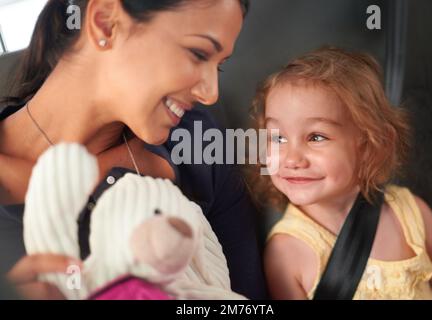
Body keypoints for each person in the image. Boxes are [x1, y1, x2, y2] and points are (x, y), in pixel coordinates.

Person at [0, 0, 267, 299]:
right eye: (198, 53)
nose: (210, 93)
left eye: (218, 66)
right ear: (106, 23)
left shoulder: (197, 141)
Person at [249, 47, 432, 299]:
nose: (292, 158)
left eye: (316, 137)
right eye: (277, 137)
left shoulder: (413, 215)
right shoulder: (287, 251)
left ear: (370, 145)